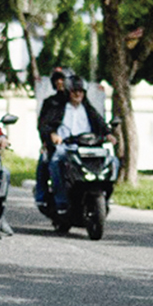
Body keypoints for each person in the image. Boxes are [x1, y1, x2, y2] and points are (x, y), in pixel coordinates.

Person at [41, 74, 111, 214]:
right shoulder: (58, 107)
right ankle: (61, 201)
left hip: (88, 147)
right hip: (66, 146)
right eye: (74, 91)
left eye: (80, 91)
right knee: (55, 162)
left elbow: (100, 124)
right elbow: (45, 125)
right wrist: (53, 135)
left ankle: (105, 196)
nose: (78, 94)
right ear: (68, 92)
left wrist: (108, 134)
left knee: (112, 161)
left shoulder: (88, 109)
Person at [34, 68, 70, 206]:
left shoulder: (80, 103)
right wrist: (49, 137)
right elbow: (43, 124)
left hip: (79, 143)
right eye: (57, 80)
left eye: (63, 79)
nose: (60, 82)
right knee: (45, 163)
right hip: (55, 143)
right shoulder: (51, 102)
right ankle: (42, 196)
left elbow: (95, 119)